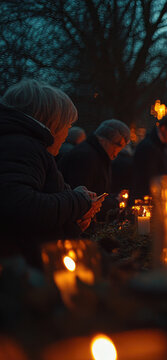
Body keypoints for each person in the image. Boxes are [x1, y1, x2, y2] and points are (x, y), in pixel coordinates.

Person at [0, 79, 102, 266]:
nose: (66, 133)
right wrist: (80, 201)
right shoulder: (21, 146)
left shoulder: (25, 145)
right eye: (68, 125)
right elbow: (22, 207)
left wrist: (73, 221)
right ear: (54, 122)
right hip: (23, 274)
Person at [60, 119, 130, 217]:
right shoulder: (85, 157)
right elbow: (85, 198)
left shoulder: (99, 156)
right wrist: (114, 201)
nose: (116, 153)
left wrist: (115, 197)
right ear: (104, 140)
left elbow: (98, 191)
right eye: (117, 146)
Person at [132, 113, 167, 198]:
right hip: (147, 196)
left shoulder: (163, 146)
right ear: (163, 128)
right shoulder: (148, 146)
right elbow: (147, 176)